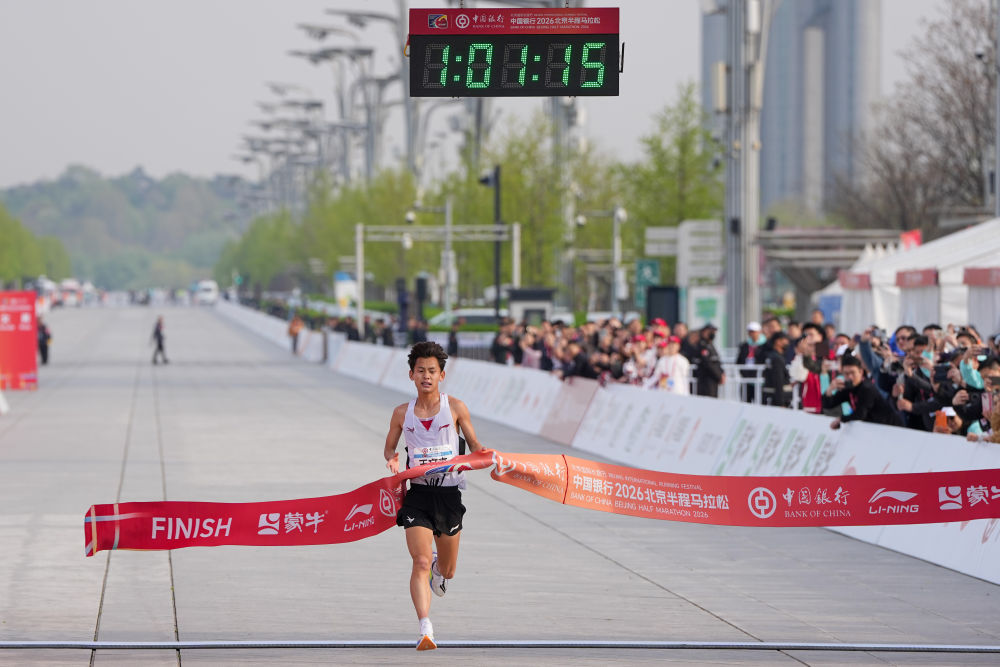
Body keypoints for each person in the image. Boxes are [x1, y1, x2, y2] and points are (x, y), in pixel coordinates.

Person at [383, 341, 486, 651]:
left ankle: (440, 571)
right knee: (420, 561)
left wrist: (487, 457)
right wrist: (392, 460)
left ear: (442, 375)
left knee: (448, 570)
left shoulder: (455, 408)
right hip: (418, 495)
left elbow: (476, 447)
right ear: (411, 375)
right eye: (420, 371)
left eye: (431, 371)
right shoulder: (401, 413)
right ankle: (424, 627)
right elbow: (389, 447)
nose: (425, 376)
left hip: (449, 496)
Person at [822, 354, 903, 429]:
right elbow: (828, 405)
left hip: (891, 427)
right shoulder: (848, 387)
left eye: (853, 373)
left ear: (861, 372)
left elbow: (860, 414)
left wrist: (841, 419)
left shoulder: (867, 388)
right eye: (846, 373)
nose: (850, 377)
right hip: (875, 428)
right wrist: (830, 389)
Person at [760, 332, 792, 407]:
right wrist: (780, 402)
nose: (787, 342)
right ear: (778, 341)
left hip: (771, 398)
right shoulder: (776, 358)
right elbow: (778, 381)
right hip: (776, 400)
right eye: (785, 340)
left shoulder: (772, 356)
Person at [695, 323, 725, 397]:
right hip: (706, 380)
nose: (713, 334)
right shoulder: (702, 345)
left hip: (713, 380)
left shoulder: (710, 345)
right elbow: (708, 363)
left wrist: (722, 373)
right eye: (710, 331)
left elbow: (716, 361)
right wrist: (718, 375)